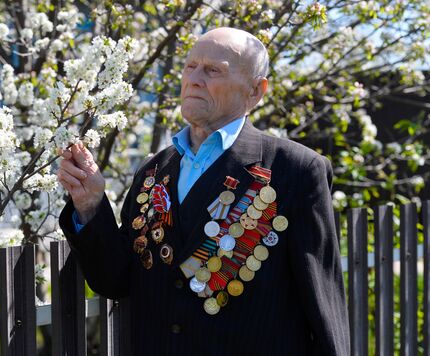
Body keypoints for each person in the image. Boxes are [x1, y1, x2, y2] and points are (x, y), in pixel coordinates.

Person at [57, 27, 350, 355]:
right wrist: (90, 205)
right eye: (190, 66)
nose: (194, 79)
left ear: (255, 91)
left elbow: (322, 302)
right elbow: (115, 280)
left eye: (213, 70)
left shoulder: (294, 171)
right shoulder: (153, 172)